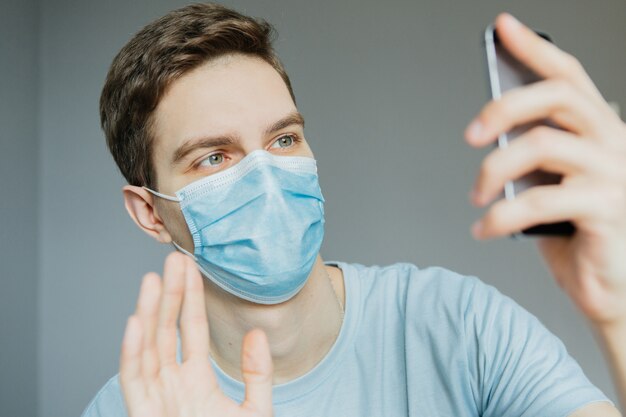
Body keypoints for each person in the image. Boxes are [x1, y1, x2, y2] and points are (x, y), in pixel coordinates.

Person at [82, 3, 626, 417]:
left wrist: (620, 310)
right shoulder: (136, 404)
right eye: (215, 157)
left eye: (284, 141)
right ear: (150, 213)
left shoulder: (462, 327)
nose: (266, 176)